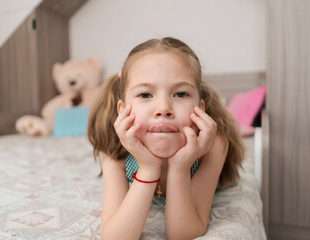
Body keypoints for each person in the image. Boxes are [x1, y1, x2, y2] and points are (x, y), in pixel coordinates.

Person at [87, 37, 245, 239]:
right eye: (145, 95)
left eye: (180, 94)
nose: (163, 109)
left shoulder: (212, 145)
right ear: (122, 110)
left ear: (201, 108)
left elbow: (182, 233)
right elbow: (115, 237)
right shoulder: (116, 150)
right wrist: (148, 167)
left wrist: (180, 167)